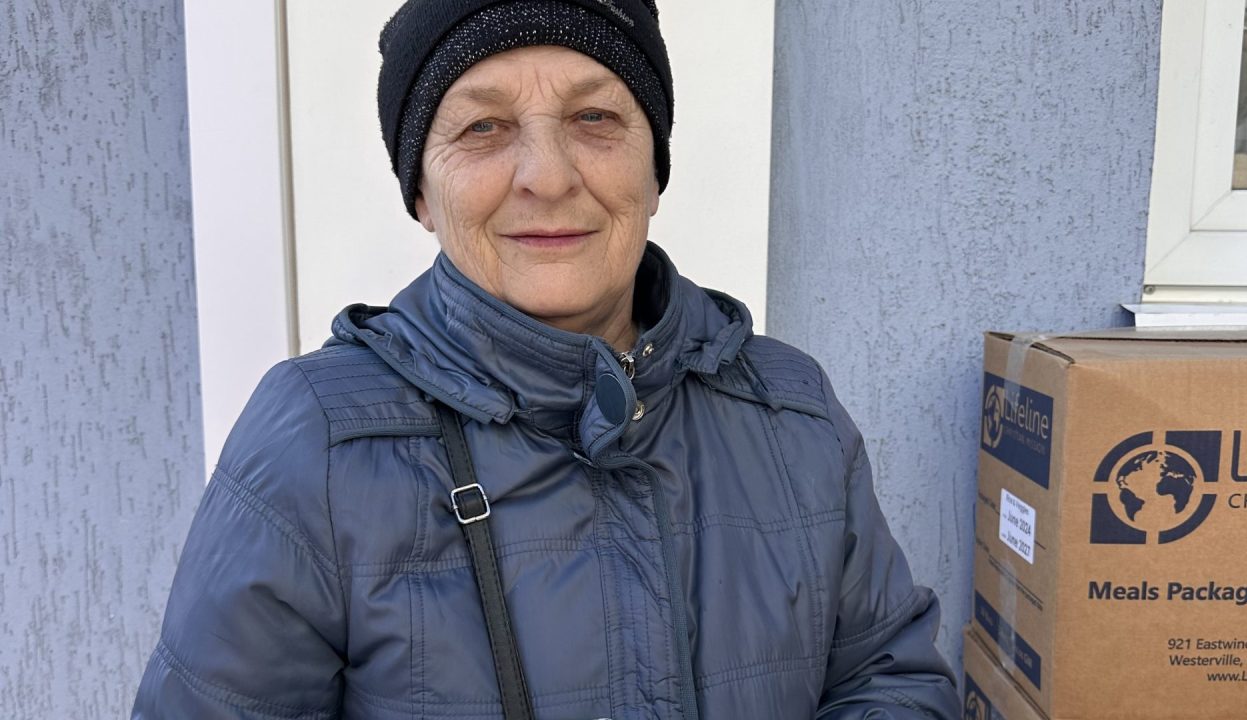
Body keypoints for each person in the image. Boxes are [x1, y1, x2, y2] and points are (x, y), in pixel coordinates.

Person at [133, 1, 961, 717]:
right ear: (422, 194)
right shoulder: (313, 442)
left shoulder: (790, 409)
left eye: (594, 118)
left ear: (654, 168)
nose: (548, 176)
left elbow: (890, 679)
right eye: (483, 127)